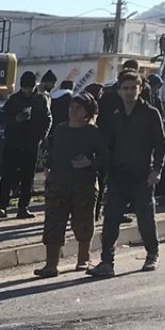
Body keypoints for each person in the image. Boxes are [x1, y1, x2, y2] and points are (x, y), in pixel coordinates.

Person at [88, 71, 165, 277]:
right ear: (119, 91)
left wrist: (157, 170)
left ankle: (152, 254)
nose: (129, 92)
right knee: (111, 219)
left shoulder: (150, 113)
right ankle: (107, 262)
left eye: (133, 87)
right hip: (118, 174)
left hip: (142, 174)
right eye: (125, 88)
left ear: (140, 89)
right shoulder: (114, 116)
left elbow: (160, 143)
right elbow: (108, 145)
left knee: (145, 217)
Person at [35, 94, 108, 278]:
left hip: (83, 185)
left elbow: (105, 158)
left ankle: (83, 259)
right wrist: (47, 168)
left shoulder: (93, 132)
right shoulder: (60, 129)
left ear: (87, 112)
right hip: (57, 184)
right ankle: (51, 265)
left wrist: (89, 162)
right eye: (72, 107)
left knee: (83, 224)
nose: (73, 111)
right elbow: (53, 152)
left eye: (78, 108)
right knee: (53, 225)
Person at [0, 71, 51, 219]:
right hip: (13, 142)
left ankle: (23, 207)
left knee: (28, 177)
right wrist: (15, 119)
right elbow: (1, 118)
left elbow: (47, 119)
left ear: (34, 87)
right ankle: (2, 206)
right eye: (25, 88)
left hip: (31, 144)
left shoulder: (40, 100)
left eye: (30, 88)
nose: (27, 91)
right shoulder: (14, 100)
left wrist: (41, 136)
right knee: (7, 175)